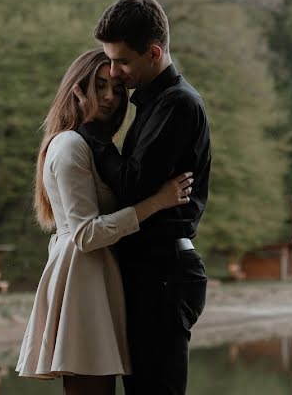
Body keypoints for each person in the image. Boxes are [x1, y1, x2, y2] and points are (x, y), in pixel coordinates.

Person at [16, 48, 195, 395]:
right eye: (99, 87)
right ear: (77, 90)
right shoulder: (70, 145)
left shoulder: (91, 145)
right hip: (82, 282)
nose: (110, 97)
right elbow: (85, 234)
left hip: (94, 279)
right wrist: (156, 202)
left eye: (116, 88)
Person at [73, 0, 211, 395]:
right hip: (152, 272)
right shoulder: (153, 103)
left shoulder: (178, 105)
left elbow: (133, 185)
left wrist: (95, 132)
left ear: (154, 52)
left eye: (122, 62)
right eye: (109, 60)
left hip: (163, 274)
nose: (114, 73)